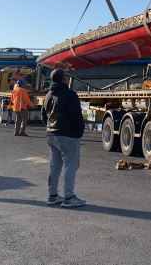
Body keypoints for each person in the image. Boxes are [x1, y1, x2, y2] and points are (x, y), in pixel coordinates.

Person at [42, 68, 86, 208]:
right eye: (67, 76)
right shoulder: (70, 94)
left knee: (54, 166)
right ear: (63, 78)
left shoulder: (48, 95)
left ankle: (52, 195)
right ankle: (69, 197)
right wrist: (79, 130)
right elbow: (76, 115)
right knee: (70, 166)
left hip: (51, 135)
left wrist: (51, 126)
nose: (68, 78)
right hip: (68, 135)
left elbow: (44, 116)